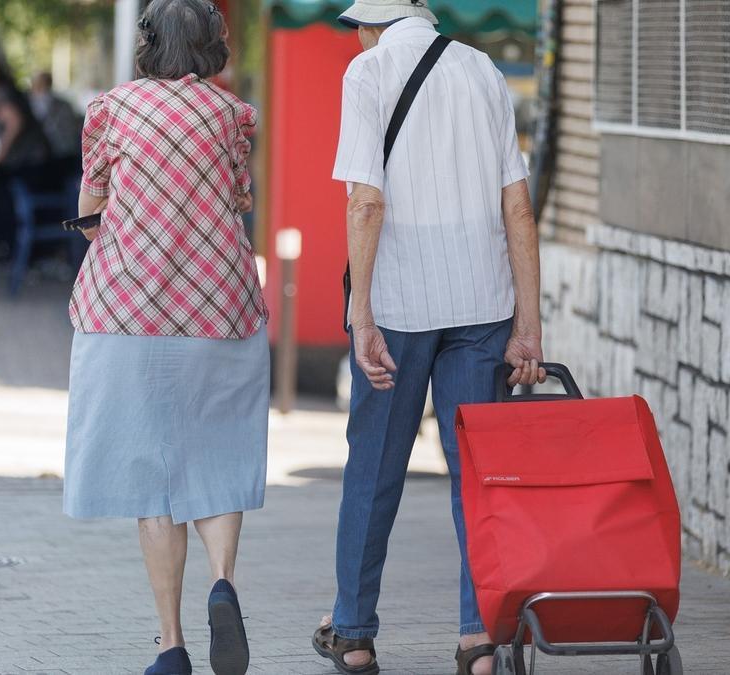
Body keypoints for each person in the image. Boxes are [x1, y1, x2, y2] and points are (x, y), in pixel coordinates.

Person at [311, 2, 547, 675]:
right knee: (479, 474)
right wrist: (528, 323)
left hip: (399, 306)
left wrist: (361, 315)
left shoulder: (368, 73)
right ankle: (480, 640)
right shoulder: (481, 70)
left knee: (375, 467)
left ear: (371, 26)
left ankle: (354, 633)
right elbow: (517, 204)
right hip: (482, 303)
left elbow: (366, 201)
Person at [62, 2, 265, 674]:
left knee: (153, 481)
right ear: (211, 45)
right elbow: (238, 198)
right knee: (218, 456)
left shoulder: (111, 109)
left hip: (129, 310)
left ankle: (171, 644)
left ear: (148, 44)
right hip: (220, 306)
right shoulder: (232, 115)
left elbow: (91, 206)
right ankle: (223, 582)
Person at [0, 58, 51, 258]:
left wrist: (0, 155)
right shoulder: (3, 92)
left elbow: (14, 123)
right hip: (26, 158)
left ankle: (7, 245)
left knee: (2, 195)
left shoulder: (4, 93)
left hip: (27, 158)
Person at [29, 71, 82, 167]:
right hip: (40, 154)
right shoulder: (27, 104)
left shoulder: (63, 105)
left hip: (59, 152)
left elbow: (71, 127)